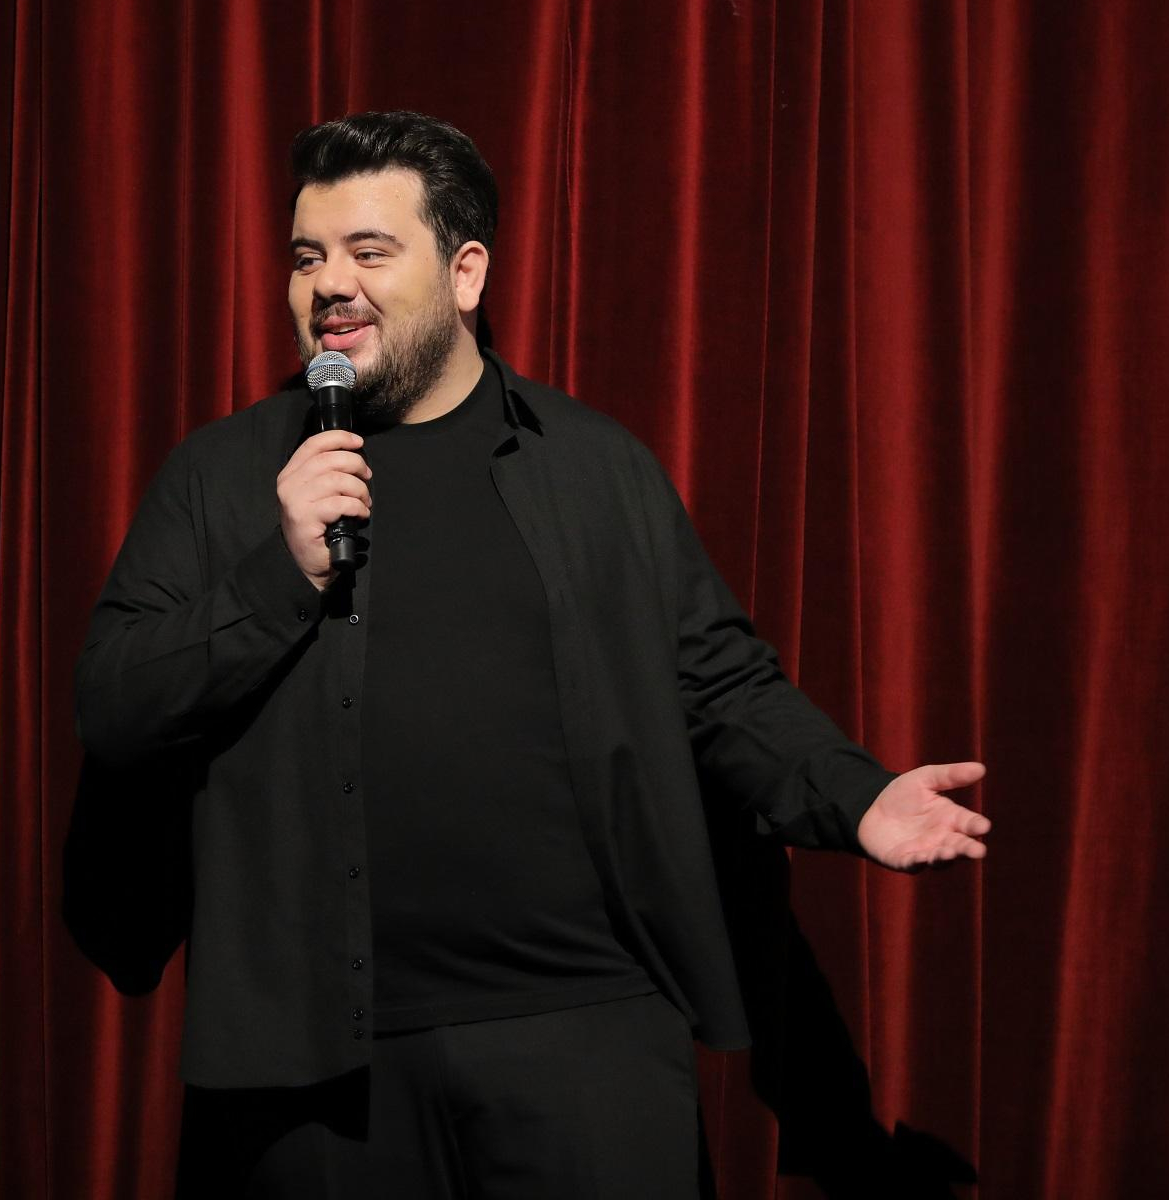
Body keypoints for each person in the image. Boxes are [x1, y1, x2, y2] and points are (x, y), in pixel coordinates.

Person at [69, 111, 990, 1198]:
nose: (330, 286)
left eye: (370, 251)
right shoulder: (223, 480)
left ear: (465, 273)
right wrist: (279, 574)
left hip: (583, 1038)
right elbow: (116, 705)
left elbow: (718, 683)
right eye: (308, 257)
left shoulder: (595, 470)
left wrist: (856, 795)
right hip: (316, 1065)